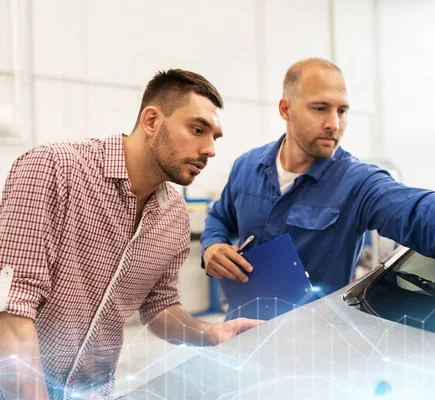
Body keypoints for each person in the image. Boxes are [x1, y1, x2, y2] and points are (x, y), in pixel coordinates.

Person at [201, 58, 435, 319]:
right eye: (320, 108)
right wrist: (212, 246)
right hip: (240, 329)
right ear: (286, 108)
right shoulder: (248, 167)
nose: (334, 123)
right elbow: (220, 216)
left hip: (309, 340)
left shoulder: (355, 182)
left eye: (342, 110)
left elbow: (417, 210)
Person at [0, 69, 262, 400]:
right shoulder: (54, 168)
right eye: (198, 130)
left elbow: (159, 308)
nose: (210, 149)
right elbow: (11, 308)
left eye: (215, 138)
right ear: (151, 121)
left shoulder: (173, 216)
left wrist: (209, 332)